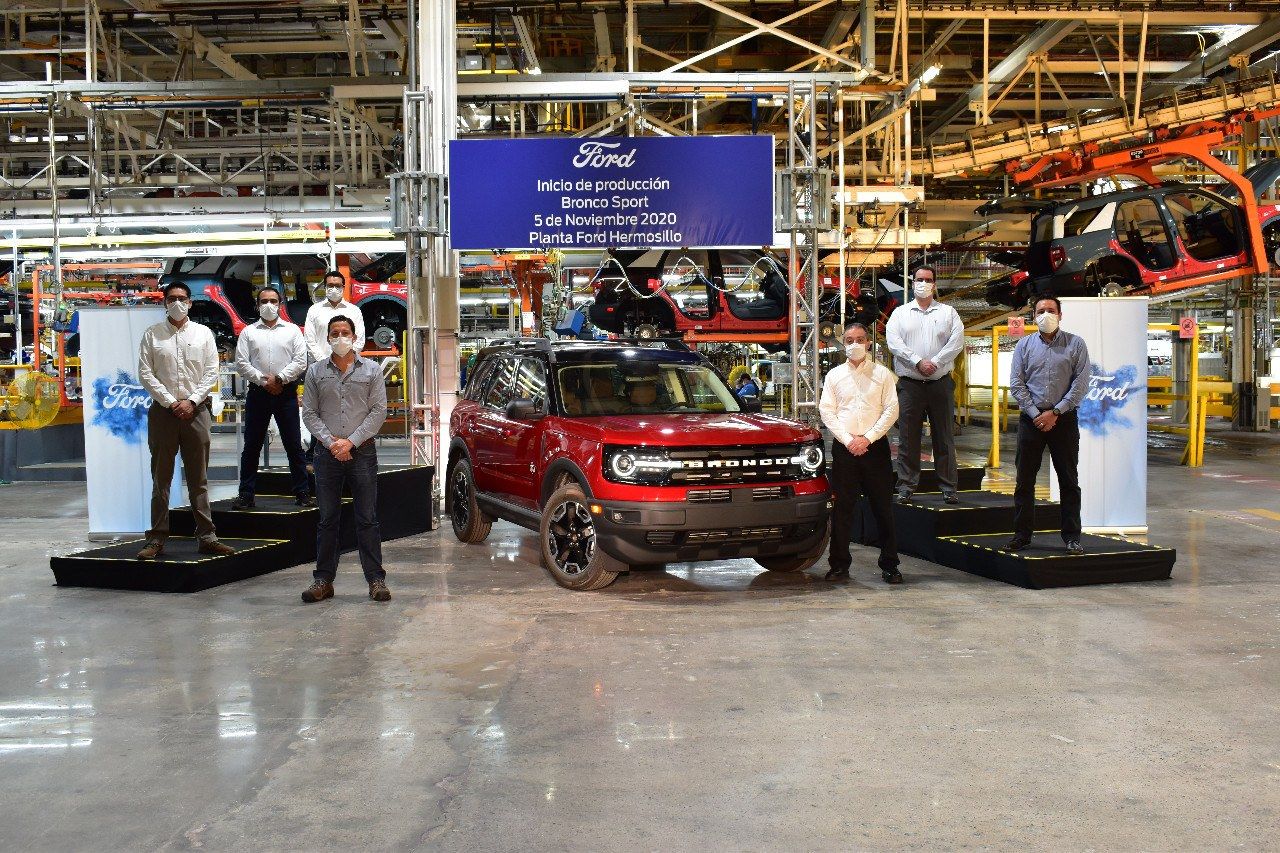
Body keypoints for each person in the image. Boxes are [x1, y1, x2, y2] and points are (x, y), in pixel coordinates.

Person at [135, 281, 235, 559]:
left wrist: (191, 401)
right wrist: (171, 402)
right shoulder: (152, 335)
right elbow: (146, 373)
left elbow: (212, 370)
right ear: (165, 302)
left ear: (190, 302)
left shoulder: (203, 334)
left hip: (197, 412)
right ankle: (156, 539)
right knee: (161, 479)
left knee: (198, 479)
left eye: (182, 298)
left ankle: (207, 536)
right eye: (172, 298)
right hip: (163, 414)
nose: (177, 303)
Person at [300, 315, 389, 603]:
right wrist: (332, 443)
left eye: (345, 332)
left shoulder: (372, 370)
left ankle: (376, 580)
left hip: (362, 452)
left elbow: (378, 411)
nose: (340, 337)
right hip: (326, 455)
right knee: (327, 520)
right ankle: (323, 580)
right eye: (335, 333)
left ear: (354, 336)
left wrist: (350, 442)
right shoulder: (315, 372)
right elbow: (309, 413)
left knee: (368, 519)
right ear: (328, 338)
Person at [819, 322, 903, 585]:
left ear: (869, 343)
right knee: (842, 510)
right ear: (844, 344)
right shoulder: (834, 376)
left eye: (859, 339)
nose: (854, 344)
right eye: (849, 340)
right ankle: (839, 565)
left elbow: (891, 410)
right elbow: (827, 411)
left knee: (882, 509)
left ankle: (890, 565)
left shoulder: (883, 375)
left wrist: (867, 438)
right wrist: (848, 440)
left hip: (875, 448)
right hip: (844, 450)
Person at [1007, 295, 1090, 555]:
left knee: (1068, 480)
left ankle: (1072, 537)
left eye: (1051, 310)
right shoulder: (1024, 345)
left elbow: (1081, 383)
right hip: (1031, 421)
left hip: (1063, 420)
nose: (1046, 315)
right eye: (1041, 311)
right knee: (1024, 481)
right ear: (1033, 316)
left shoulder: (1076, 344)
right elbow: (1017, 384)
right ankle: (1021, 536)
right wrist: (1035, 414)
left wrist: (1055, 412)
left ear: (1060, 314)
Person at [884, 264, 965, 504]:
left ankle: (949, 487)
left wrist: (936, 363)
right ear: (913, 283)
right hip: (910, 384)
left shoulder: (948, 313)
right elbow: (894, 342)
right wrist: (918, 361)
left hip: (940, 382)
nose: (923, 283)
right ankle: (906, 486)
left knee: (945, 436)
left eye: (928, 279)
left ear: (934, 284)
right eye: (919, 279)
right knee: (908, 438)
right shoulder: (900, 314)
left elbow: (956, 342)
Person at [232, 285, 312, 510]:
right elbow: (242, 363)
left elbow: (300, 361)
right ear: (257, 305)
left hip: (285, 392)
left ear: (280, 304)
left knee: (293, 445)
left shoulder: (293, 331)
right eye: (264, 301)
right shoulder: (248, 332)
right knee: (252, 446)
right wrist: (263, 380)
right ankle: (246, 494)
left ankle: (303, 493)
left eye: (273, 301)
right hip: (258, 393)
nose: (269, 305)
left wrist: (279, 378)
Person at [303, 270, 365, 362]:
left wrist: (345, 360)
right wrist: (324, 361)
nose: (334, 288)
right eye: (330, 285)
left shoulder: (354, 311)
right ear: (325, 287)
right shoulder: (314, 310)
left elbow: (359, 340)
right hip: (320, 365)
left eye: (338, 286)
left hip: (347, 366)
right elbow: (309, 340)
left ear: (343, 287)